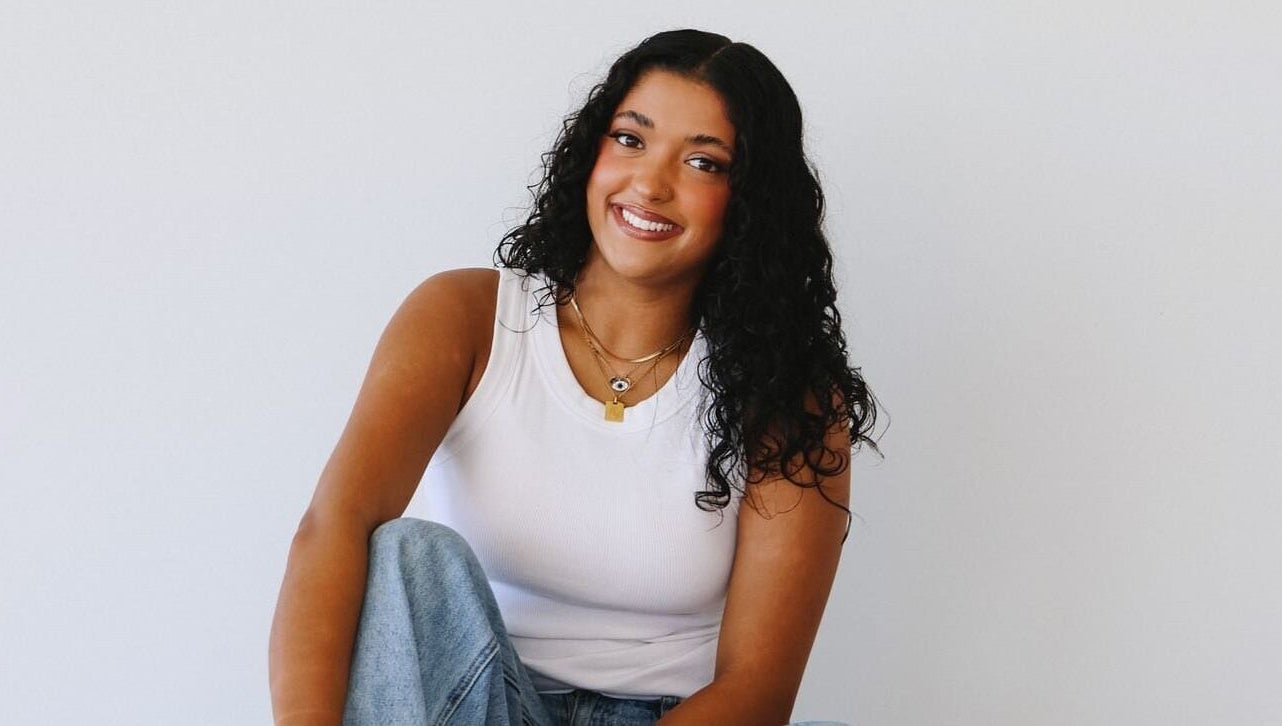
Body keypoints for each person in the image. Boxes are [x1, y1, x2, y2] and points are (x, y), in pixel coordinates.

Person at [269, 29, 879, 726]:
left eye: (703, 162)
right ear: (591, 151)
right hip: (466, 704)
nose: (650, 184)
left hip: (666, 716)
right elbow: (332, 528)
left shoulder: (787, 395)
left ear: (749, 201)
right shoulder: (465, 319)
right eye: (630, 139)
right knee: (407, 555)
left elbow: (759, 691)